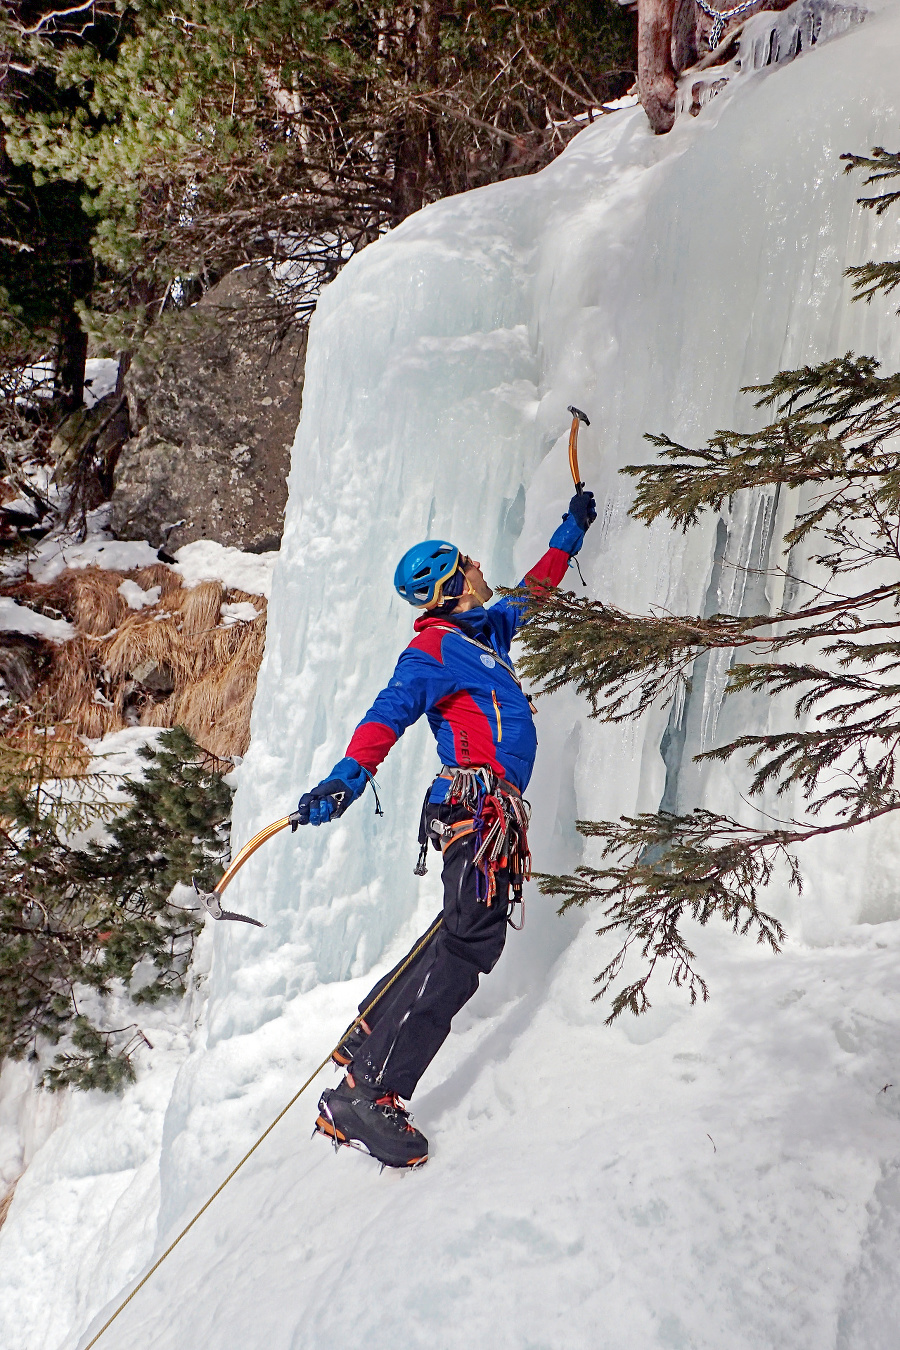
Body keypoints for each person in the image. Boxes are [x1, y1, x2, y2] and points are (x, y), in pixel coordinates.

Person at [296, 488, 597, 1167]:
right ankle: (373, 1092)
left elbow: (534, 589)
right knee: (468, 946)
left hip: (490, 813)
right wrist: (350, 775)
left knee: (458, 933)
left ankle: (364, 1052)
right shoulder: (432, 650)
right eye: (467, 562)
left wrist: (571, 529)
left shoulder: (483, 634)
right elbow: (389, 712)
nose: (479, 565)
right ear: (450, 582)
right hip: (476, 808)